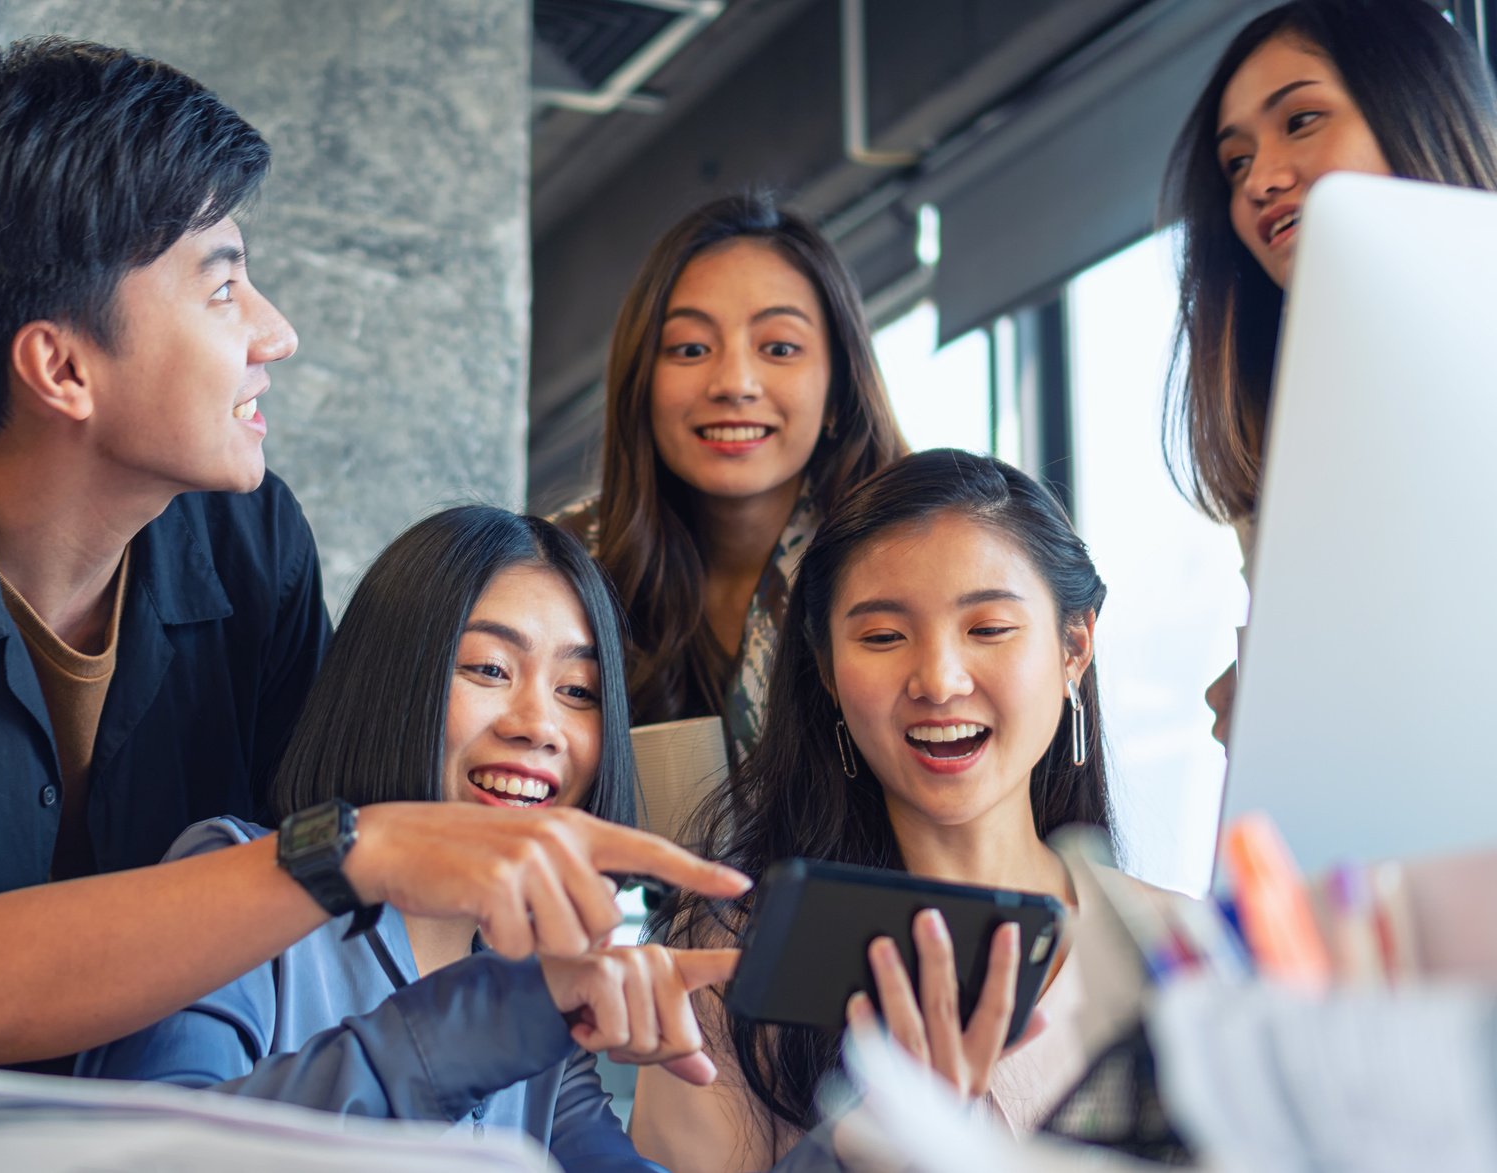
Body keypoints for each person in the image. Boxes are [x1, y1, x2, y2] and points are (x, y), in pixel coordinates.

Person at [0, 39, 748, 1171]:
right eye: (222, 285)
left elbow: (301, 913)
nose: (274, 331)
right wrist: (352, 852)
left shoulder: (244, 540)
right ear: (60, 369)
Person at [81, 506, 734, 1169]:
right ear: (390, 680)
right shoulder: (237, 875)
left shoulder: (538, 970)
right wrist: (466, 1031)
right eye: (488, 668)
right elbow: (147, 1153)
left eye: (577, 689)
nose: (540, 725)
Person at [631, 449, 1114, 1172]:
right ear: (825, 670)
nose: (939, 681)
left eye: (988, 628)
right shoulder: (730, 957)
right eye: (884, 636)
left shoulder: (1174, 948)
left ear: (1073, 645)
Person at [1162, 0, 1497, 744]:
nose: (1259, 181)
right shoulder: (1283, 434)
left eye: (1302, 120)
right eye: (1236, 162)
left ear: (1416, 108)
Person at [556, 193, 906, 758]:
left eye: (779, 347)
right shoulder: (564, 565)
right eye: (691, 348)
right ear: (640, 383)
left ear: (838, 388)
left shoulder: (913, 555)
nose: (735, 382)